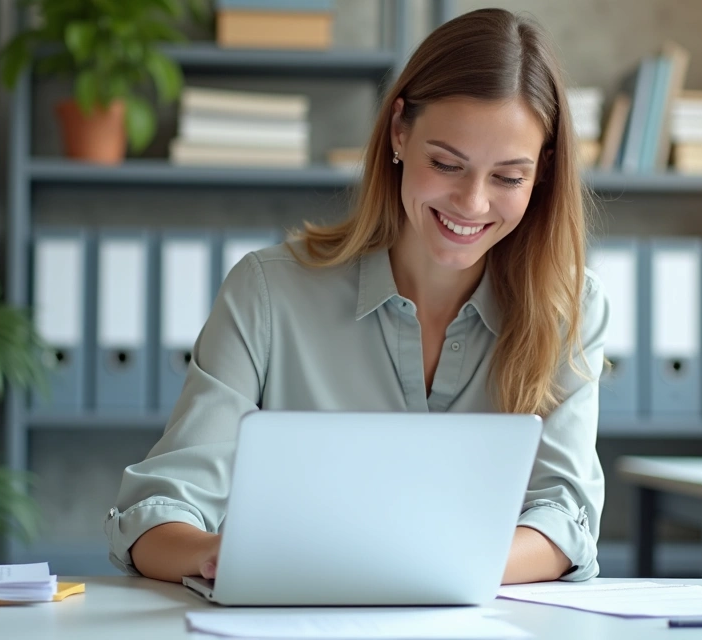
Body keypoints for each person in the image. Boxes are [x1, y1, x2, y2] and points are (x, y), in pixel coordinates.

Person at [104, 7, 608, 585]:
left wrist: (419, 567)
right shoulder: (269, 293)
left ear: (543, 171)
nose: (472, 203)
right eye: (446, 163)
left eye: (508, 178)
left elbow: (564, 520)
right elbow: (156, 513)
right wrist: (215, 555)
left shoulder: (569, 309)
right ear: (399, 132)